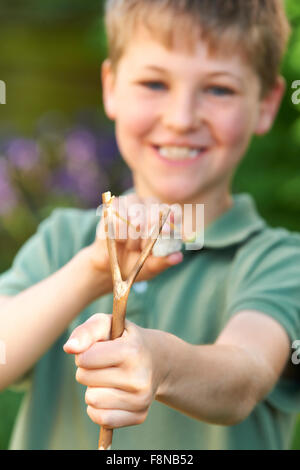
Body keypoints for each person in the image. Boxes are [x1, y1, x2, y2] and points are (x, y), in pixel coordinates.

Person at [0, 0, 299, 450]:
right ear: (111, 87)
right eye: (154, 83)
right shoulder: (63, 241)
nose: (181, 119)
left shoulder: (279, 261)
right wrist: (91, 271)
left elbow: (247, 373)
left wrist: (162, 364)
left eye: (219, 90)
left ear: (267, 103)